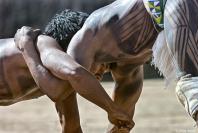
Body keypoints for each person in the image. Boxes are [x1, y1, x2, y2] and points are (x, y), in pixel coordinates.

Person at [17, 0, 198, 132]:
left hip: (177, 6)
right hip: (175, 12)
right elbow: (122, 123)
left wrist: (26, 47)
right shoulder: (129, 65)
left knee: (193, 89)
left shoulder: (87, 36)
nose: (99, 76)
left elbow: (58, 90)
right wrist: (114, 112)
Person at [1, 10, 134, 133]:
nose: (104, 68)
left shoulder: (62, 80)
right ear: (78, 46)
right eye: (98, 58)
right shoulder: (43, 44)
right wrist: (113, 110)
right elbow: (73, 75)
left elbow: (72, 128)